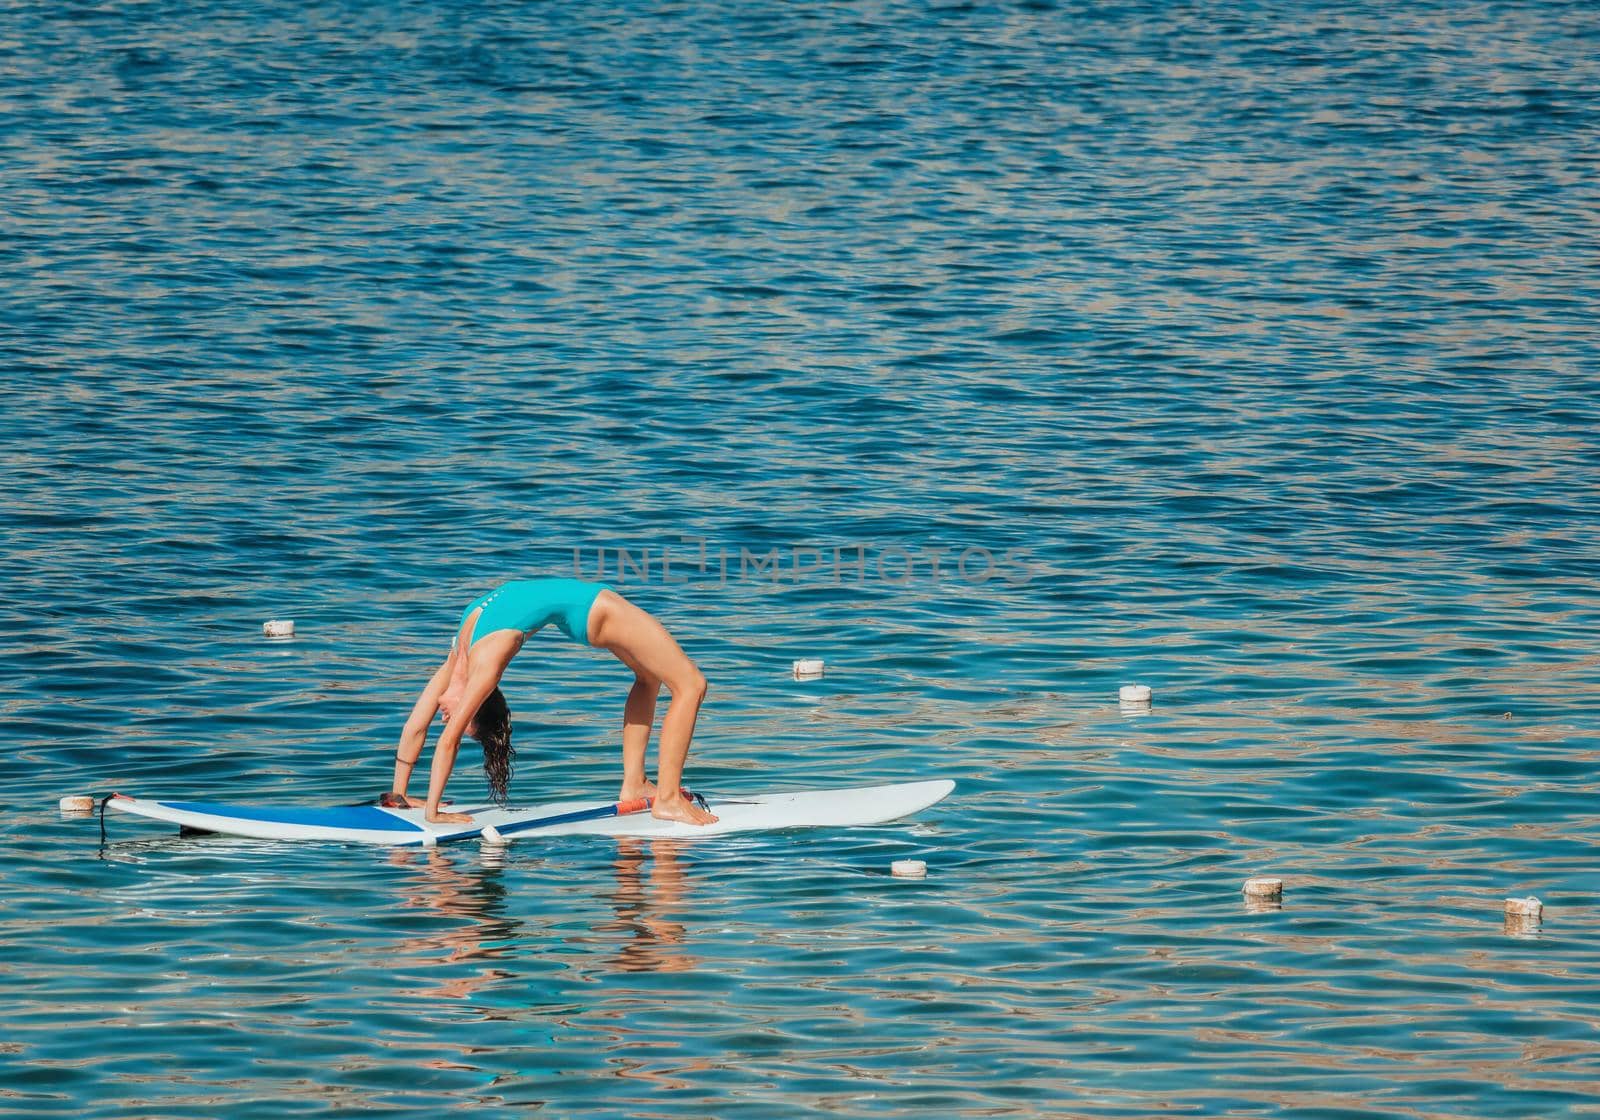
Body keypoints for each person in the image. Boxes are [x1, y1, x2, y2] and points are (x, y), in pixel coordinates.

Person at [389, 578, 717, 827]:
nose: (448, 716)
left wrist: (415, 804)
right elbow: (442, 737)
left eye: (460, 714)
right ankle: (668, 799)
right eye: (460, 715)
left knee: (651, 677)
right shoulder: (479, 663)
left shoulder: (459, 660)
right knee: (691, 685)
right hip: (594, 608)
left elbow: (421, 729)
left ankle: (634, 784)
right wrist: (415, 805)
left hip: (586, 611)